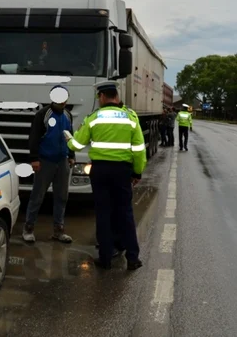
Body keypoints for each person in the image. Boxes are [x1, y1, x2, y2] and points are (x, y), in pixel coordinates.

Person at [67, 81, 145, 270]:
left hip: (100, 171)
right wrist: (137, 172)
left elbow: (76, 146)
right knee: (125, 213)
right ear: (116, 96)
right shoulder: (131, 117)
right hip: (122, 171)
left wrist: (69, 138)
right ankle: (133, 258)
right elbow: (139, 150)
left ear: (101, 97)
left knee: (103, 213)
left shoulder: (94, 118)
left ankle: (106, 259)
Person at [22, 85, 75, 244]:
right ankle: (28, 228)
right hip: (45, 161)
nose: (63, 102)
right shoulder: (43, 114)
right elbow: (34, 137)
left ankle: (59, 230)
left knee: (61, 196)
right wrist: (34, 158)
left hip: (62, 161)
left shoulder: (67, 115)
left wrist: (71, 155)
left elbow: (69, 136)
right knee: (37, 196)